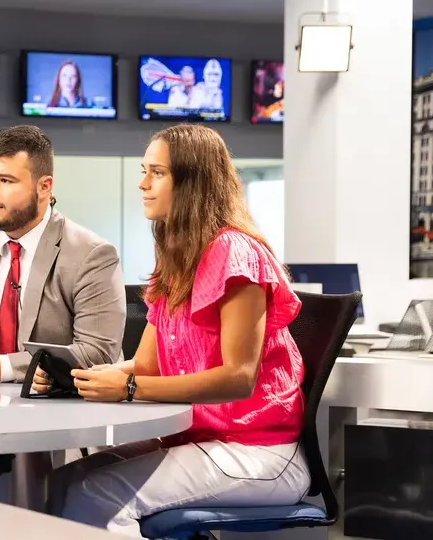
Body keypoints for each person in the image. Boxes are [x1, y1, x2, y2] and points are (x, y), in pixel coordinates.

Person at [43, 123, 310, 537]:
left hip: (260, 453)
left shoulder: (236, 252)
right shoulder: (176, 258)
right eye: (144, 170)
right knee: (60, 483)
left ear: (193, 183)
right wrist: (79, 377)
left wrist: (129, 389)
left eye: (157, 173)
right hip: (203, 442)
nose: (142, 183)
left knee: (92, 493)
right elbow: (146, 364)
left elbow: (239, 378)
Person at [0, 125, 125, 382]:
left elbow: (97, 353)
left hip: (59, 408)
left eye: (5, 180)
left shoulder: (91, 255)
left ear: (44, 187)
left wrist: (0, 367)